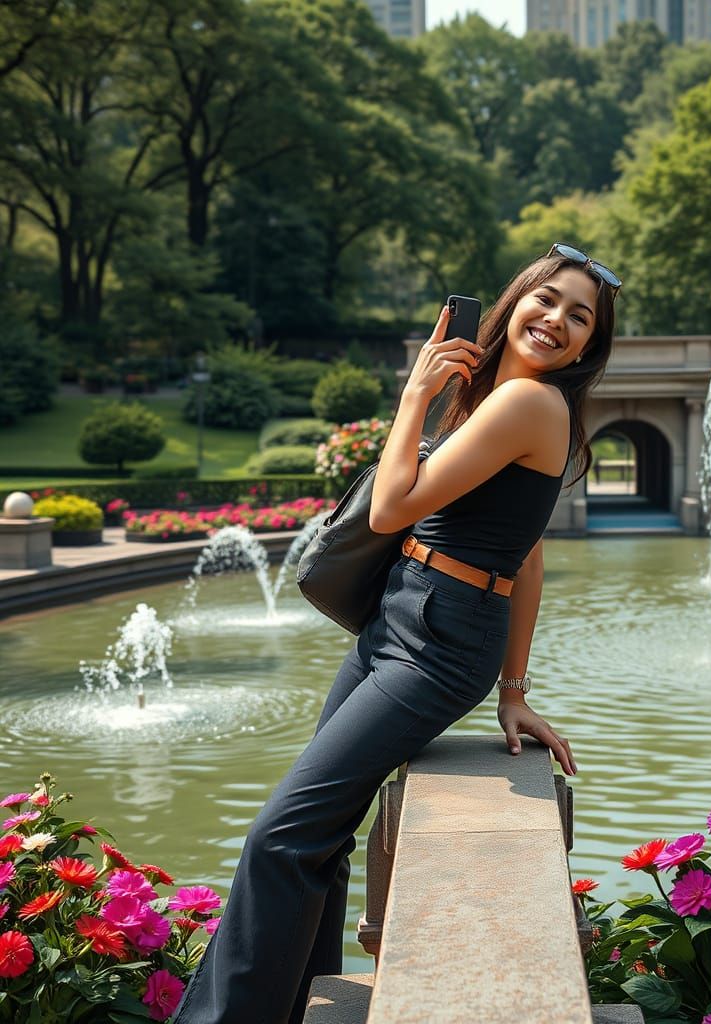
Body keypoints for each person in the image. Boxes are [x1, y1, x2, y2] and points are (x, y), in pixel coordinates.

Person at [171, 243, 621, 1024]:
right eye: (546, 300)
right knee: (316, 835)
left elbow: (388, 510)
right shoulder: (501, 400)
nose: (555, 321)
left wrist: (413, 393)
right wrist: (514, 692)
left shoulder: (530, 405)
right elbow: (533, 559)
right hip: (404, 615)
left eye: (578, 317)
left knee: (278, 837)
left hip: (439, 644)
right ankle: (290, 1005)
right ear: (515, 302)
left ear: (587, 346)